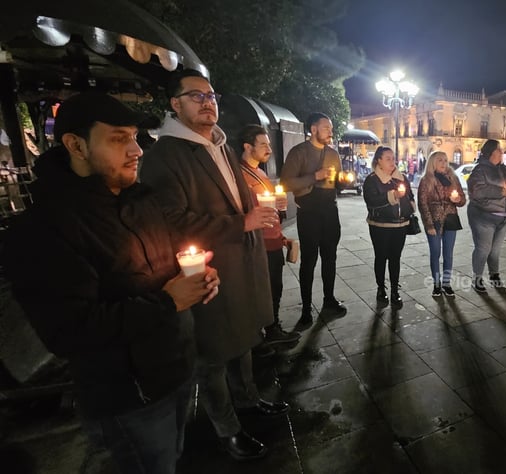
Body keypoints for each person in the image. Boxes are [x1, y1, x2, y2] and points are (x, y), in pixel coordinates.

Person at [2, 92, 221, 474]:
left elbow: (172, 264)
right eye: (119, 139)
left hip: (178, 368)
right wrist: (169, 302)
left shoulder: (142, 200)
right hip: (129, 396)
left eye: (135, 137)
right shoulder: (44, 229)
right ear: (76, 145)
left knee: (174, 456)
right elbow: (70, 330)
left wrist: (197, 277)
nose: (136, 150)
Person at [140, 70, 288, 461]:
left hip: (243, 262)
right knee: (213, 356)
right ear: (175, 104)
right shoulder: (166, 155)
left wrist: (260, 209)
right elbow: (170, 220)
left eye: (211, 96)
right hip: (208, 271)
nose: (208, 103)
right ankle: (228, 429)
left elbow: (239, 200)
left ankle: (250, 402)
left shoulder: (219, 146)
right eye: (196, 96)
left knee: (243, 341)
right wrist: (242, 222)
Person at [279, 112, 347, 328]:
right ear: (314, 129)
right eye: (326, 127)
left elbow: (338, 183)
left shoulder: (333, 154)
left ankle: (329, 300)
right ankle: (306, 308)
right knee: (309, 260)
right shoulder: (299, 152)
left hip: (330, 210)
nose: (331, 131)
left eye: (331, 128)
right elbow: (287, 183)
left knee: (330, 257)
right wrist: (314, 177)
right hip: (308, 212)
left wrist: (343, 182)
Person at [237, 125, 301, 345]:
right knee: (262, 291)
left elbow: (272, 212)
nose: (269, 149)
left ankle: (272, 329)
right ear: (247, 147)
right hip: (258, 244)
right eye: (263, 144)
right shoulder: (239, 176)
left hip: (273, 241)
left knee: (275, 288)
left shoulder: (261, 173)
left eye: (269, 144)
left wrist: (280, 208)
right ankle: (260, 336)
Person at [363, 146, 415, 306]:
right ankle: (381, 288)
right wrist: (392, 195)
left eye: (393, 158)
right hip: (380, 225)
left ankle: (394, 290)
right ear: (378, 160)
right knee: (381, 257)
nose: (392, 161)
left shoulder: (402, 178)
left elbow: (410, 196)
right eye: (388, 158)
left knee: (395, 258)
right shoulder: (372, 180)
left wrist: (410, 206)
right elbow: (371, 201)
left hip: (400, 225)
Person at [467, 139, 506, 292]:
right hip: (483, 216)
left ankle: (494, 275)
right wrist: (502, 192)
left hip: (502, 217)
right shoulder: (479, 170)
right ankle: (477, 278)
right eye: (499, 150)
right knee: (483, 248)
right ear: (491, 152)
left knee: (495, 250)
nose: (502, 152)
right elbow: (477, 191)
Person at [417, 151, 467, 296]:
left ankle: (446, 283)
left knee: (448, 254)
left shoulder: (453, 177)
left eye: (445, 160)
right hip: (434, 220)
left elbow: (462, 199)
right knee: (435, 253)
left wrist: (458, 200)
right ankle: (436, 284)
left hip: (450, 219)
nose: (444, 163)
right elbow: (423, 204)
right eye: (440, 160)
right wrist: (429, 225)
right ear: (433, 162)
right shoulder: (426, 180)